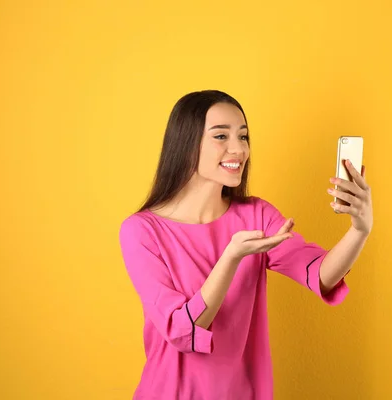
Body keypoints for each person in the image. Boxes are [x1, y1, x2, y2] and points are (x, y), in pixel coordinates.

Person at [118, 90, 373, 399]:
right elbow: (182, 330)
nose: (238, 149)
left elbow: (320, 274)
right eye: (221, 136)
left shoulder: (256, 215)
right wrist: (232, 257)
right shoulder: (141, 231)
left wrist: (360, 229)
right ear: (186, 144)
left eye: (243, 136)